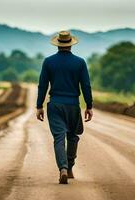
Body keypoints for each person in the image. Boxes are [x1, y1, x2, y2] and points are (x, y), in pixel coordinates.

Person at [36, 31, 93, 184]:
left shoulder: (48, 62)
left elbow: (42, 85)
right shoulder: (80, 62)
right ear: (70, 44)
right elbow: (86, 85)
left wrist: (39, 106)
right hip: (73, 105)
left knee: (59, 138)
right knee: (73, 137)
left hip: (55, 105)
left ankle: (62, 168)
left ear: (58, 44)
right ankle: (69, 169)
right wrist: (89, 105)